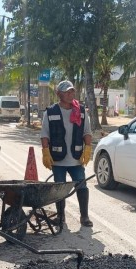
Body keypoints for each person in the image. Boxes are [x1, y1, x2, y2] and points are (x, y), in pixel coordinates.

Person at [40, 80, 93, 227]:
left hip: (76, 159)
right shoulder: (50, 112)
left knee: (81, 186)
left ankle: (84, 217)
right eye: (67, 92)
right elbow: (45, 135)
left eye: (72, 92)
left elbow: (87, 132)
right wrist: (45, 152)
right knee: (59, 189)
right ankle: (60, 216)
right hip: (58, 159)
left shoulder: (80, 111)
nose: (71, 94)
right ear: (59, 94)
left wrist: (88, 148)